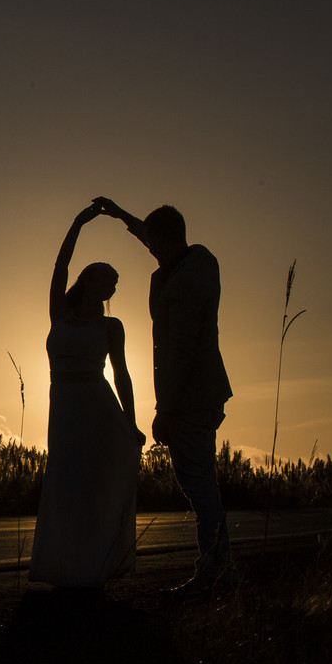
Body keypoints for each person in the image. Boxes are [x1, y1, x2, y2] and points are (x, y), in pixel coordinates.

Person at [92, 197, 239, 592]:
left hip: (192, 395)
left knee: (198, 484)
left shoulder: (190, 277)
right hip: (196, 394)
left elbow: (182, 349)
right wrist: (120, 214)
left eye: (154, 242)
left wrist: (166, 410)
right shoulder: (183, 264)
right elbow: (149, 234)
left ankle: (218, 571)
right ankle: (217, 569)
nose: (149, 248)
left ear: (168, 239)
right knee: (200, 481)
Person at [28, 203, 145, 589]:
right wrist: (79, 222)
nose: (111, 286)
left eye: (115, 283)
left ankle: (95, 565)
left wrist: (131, 423)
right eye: (106, 278)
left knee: (94, 484)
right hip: (64, 406)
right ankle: (62, 564)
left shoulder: (111, 326)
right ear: (89, 280)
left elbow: (122, 375)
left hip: (99, 406)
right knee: (65, 479)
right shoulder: (60, 312)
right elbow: (60, 266)